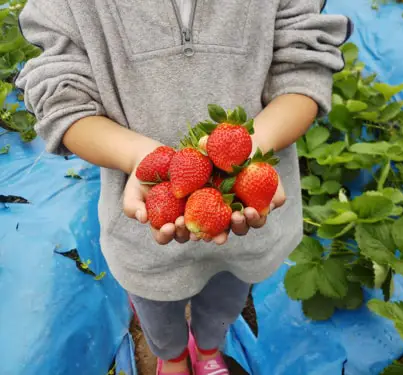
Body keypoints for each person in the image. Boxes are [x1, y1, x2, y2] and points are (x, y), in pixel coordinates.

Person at [16, 0, 352, 374]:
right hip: (142, 235)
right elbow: (61, 95)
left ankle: (208, 349)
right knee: (156, 309)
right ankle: (172, 355)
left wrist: (249, 148)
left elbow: (304, 65)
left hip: (248, 229)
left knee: (226, 300)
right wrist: (139, 157)